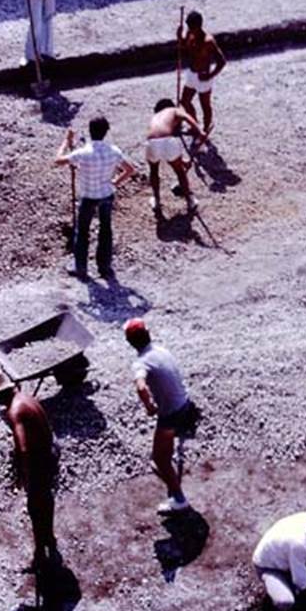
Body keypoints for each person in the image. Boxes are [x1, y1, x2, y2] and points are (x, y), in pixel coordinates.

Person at [123, 318, 195, 514]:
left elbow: (140, 387)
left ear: (129, 343)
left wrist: (149, 407)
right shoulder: (162, 350)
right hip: (185, 404)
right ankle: (171, 474)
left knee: (159, 459)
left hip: (171, 413)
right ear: (149, 334)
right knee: (164, 450)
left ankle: (179, 500)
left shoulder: (140, 362)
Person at [55, 116, 135, 281]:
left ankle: (81, 268)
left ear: (90, 131)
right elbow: (129, 170)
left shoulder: (83, 153)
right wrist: (115, 183)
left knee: (82, 231)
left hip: (88, 196)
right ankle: (104, 267)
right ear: (106, 132)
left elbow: (58, 160)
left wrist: (66, 141)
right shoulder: (114, 151)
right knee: (106, 230)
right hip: (106, 194)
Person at [0, 377, 59, 572]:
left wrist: (23, 474)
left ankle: (40, 553)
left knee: (35, 506)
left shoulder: (15, 410)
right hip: (50, 451)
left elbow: (22, 448)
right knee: (46, 499)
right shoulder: (27, 398)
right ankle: (49, 537)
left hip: (39, 461)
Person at [146, 98, 207, 215]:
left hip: (151, 142)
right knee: (180, 172)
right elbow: (187, 117)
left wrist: (183, 161)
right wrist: (199, 130)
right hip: (168, 141)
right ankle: (190, 200)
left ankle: (156, 201)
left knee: (154, 171)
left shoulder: (155, 117)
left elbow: (161, 144)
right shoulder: (174, 110)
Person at [178, 10, 226, 136]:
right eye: (189, 27)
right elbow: (185, 47)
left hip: (204, 76)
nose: (190, 30)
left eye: (192, 28)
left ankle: (205, 128)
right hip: (191, 74)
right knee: (184, 101)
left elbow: (222, 61)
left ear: (199, 26)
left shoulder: (208, 41)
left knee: (205, 104)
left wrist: (210, 75)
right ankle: (194, 125)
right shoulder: (190, 34)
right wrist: (180, 38)